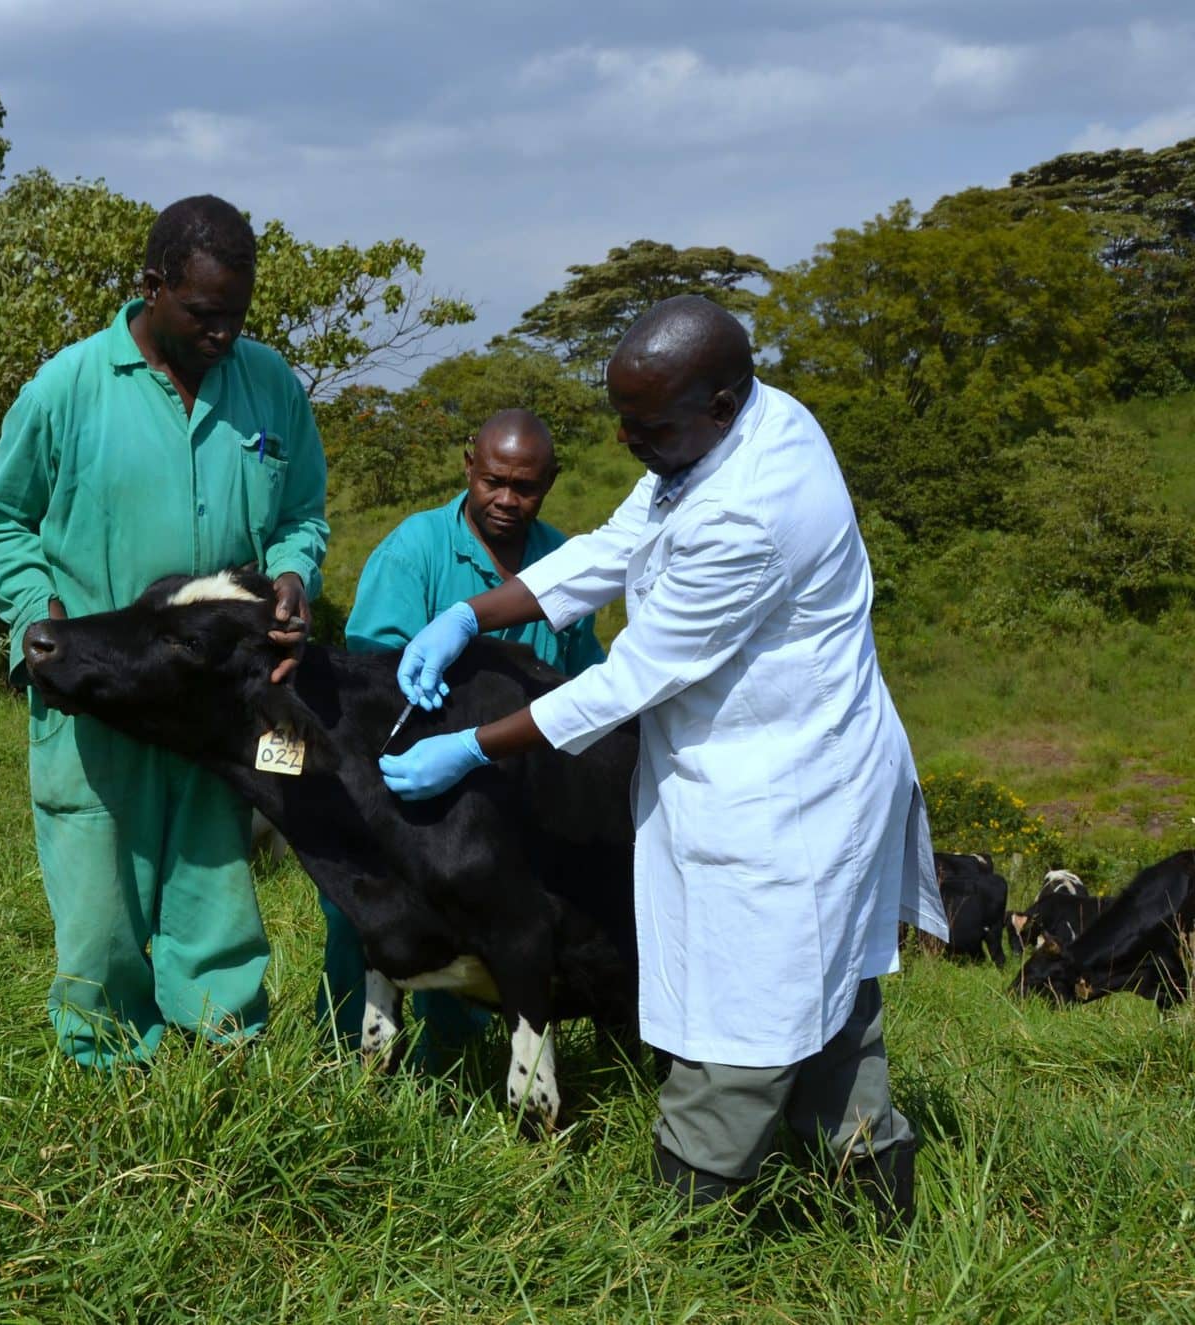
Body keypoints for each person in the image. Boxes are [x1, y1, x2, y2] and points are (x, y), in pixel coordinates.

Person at [378, 295, 947, 1223]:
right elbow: (621, 542)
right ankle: (877, 1215)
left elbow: (625, 681)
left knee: (748, 1023)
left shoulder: (754, 512)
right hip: (753, 767)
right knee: (833, 1002)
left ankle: (680, 1241)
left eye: (647, 426)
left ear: (719, 406)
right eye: (622, 419)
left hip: (786, 792)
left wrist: (469, 747)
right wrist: (469, 614)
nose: (628, 440)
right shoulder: (735, 425)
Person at [0, 195, 329, 1068]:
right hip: (97, 690)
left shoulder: (270, 384)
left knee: (216, 878)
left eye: (237, 316)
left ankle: (224, 1056)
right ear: (152, 287)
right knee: (101, 896)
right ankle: (104, 1069)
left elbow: (304, 513)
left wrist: (293, 573)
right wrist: (32, 610)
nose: (222, 335)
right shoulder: (70, 386)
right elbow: (2, 520)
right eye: (204, 314)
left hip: (218, 699)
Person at [323, 409, 605, 1066]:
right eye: (495, 481)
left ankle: (462, 1056)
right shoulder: (414, 549)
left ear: (551, 482)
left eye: (526, 487)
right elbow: (373, 676)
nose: (508, 500)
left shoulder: (564, 562)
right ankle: (343, 1055)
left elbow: (583, 676)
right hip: (411, 779)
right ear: (468, 468)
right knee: (366, 917)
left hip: (514, 786)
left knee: (507, 920)